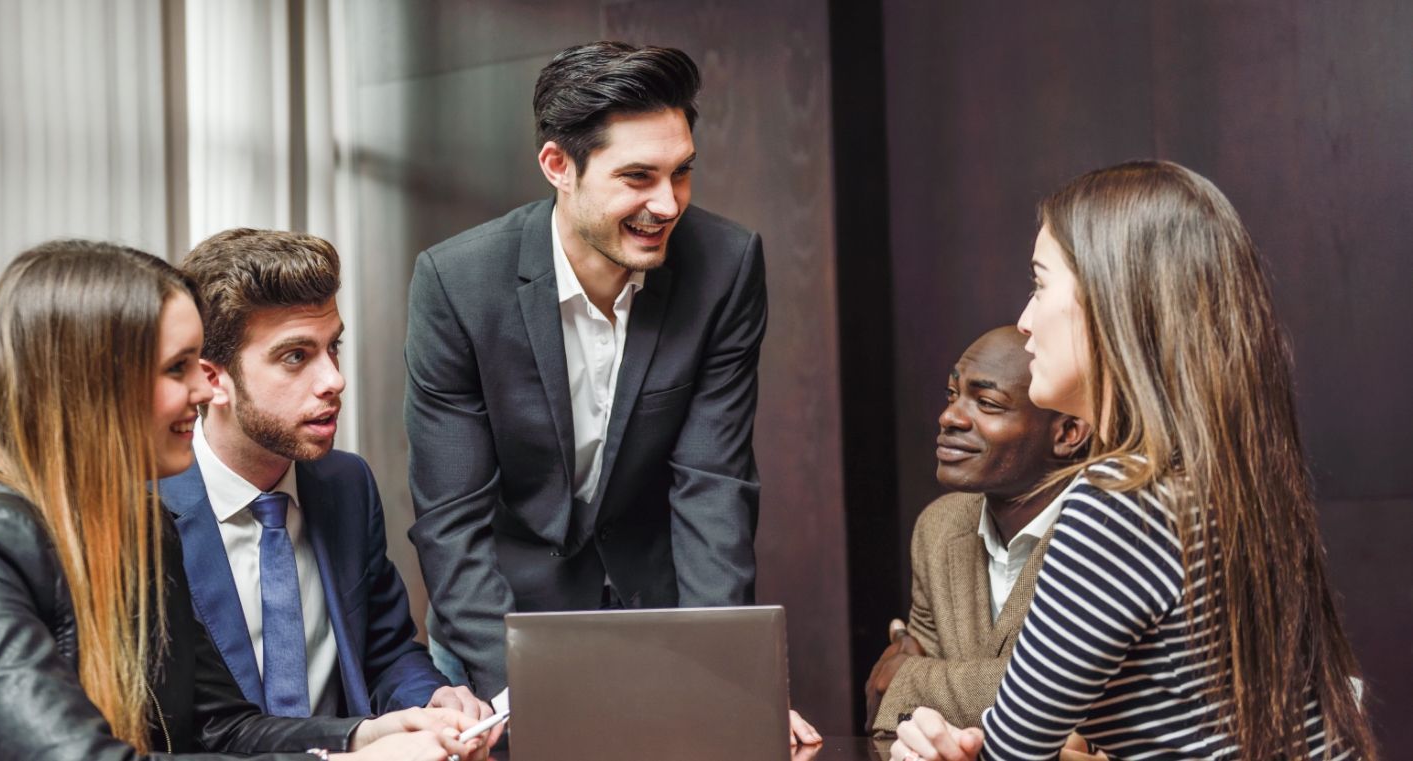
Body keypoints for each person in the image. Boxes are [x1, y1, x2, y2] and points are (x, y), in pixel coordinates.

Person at [0, 241, 495, 760]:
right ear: (93, 386)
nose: (202, 390)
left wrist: (365, 735)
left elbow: (220, 728)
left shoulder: (141, 529)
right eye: (177, 369)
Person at [891, 161, 1378, 760]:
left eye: (1040, 285)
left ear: (1111, 305)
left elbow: (1013, 751)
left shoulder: (1122, 500)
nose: (1024, 320)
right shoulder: (1223, 477)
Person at [405, 40, 816, 744]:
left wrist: (725, 681)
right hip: (497, 628)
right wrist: (522, 697)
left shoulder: (725, 266)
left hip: (657, 625)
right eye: (638, 177)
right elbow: (451, 518)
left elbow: (712, 484)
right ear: (558, 166)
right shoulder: (457, 284)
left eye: (682, 173)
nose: (667, 204)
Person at [162, 229, 489, 721]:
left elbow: (385, 653)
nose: (334, 380)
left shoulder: (346, 484)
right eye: (295, 356)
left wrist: (431, 697)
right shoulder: (145, 512)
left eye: (332, 347)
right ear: (214, 380)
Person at [866, 326, 1090, 734]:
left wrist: (912, 679)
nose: (949, 417)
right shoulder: (938, 527)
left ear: (1067, 434)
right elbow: (896, 722)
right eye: (953, 394)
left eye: (986, 403)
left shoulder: (1108, 530)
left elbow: (1072, 699)